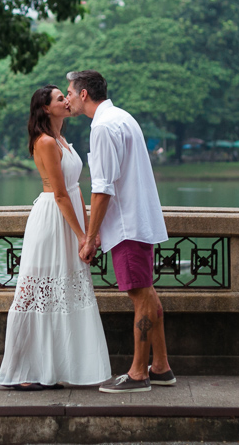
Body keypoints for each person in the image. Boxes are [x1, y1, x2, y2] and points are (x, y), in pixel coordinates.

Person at [65, 70, 176, 393]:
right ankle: (161, 366)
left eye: (70, 92)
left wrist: (89, 236)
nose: (68, 98)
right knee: (146, 292)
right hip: (137, 221)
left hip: (127, 225)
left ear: (84, 94)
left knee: (139, 295)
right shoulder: (122, 117)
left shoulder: (102, 126)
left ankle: (139, 372)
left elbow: (102, 190)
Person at [0, 85, 112, 391]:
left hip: (70, 216)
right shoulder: (46, 142)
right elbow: (59, 195)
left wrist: (91, 230)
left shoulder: (63, 140)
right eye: (60, 98)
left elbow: (75, 191)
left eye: (66, 95)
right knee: (36, 294)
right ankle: (21, 371)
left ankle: (52, 368)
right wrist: (82, 236)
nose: (67, 100)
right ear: (47, 108)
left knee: (64, 296)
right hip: (52, 222)